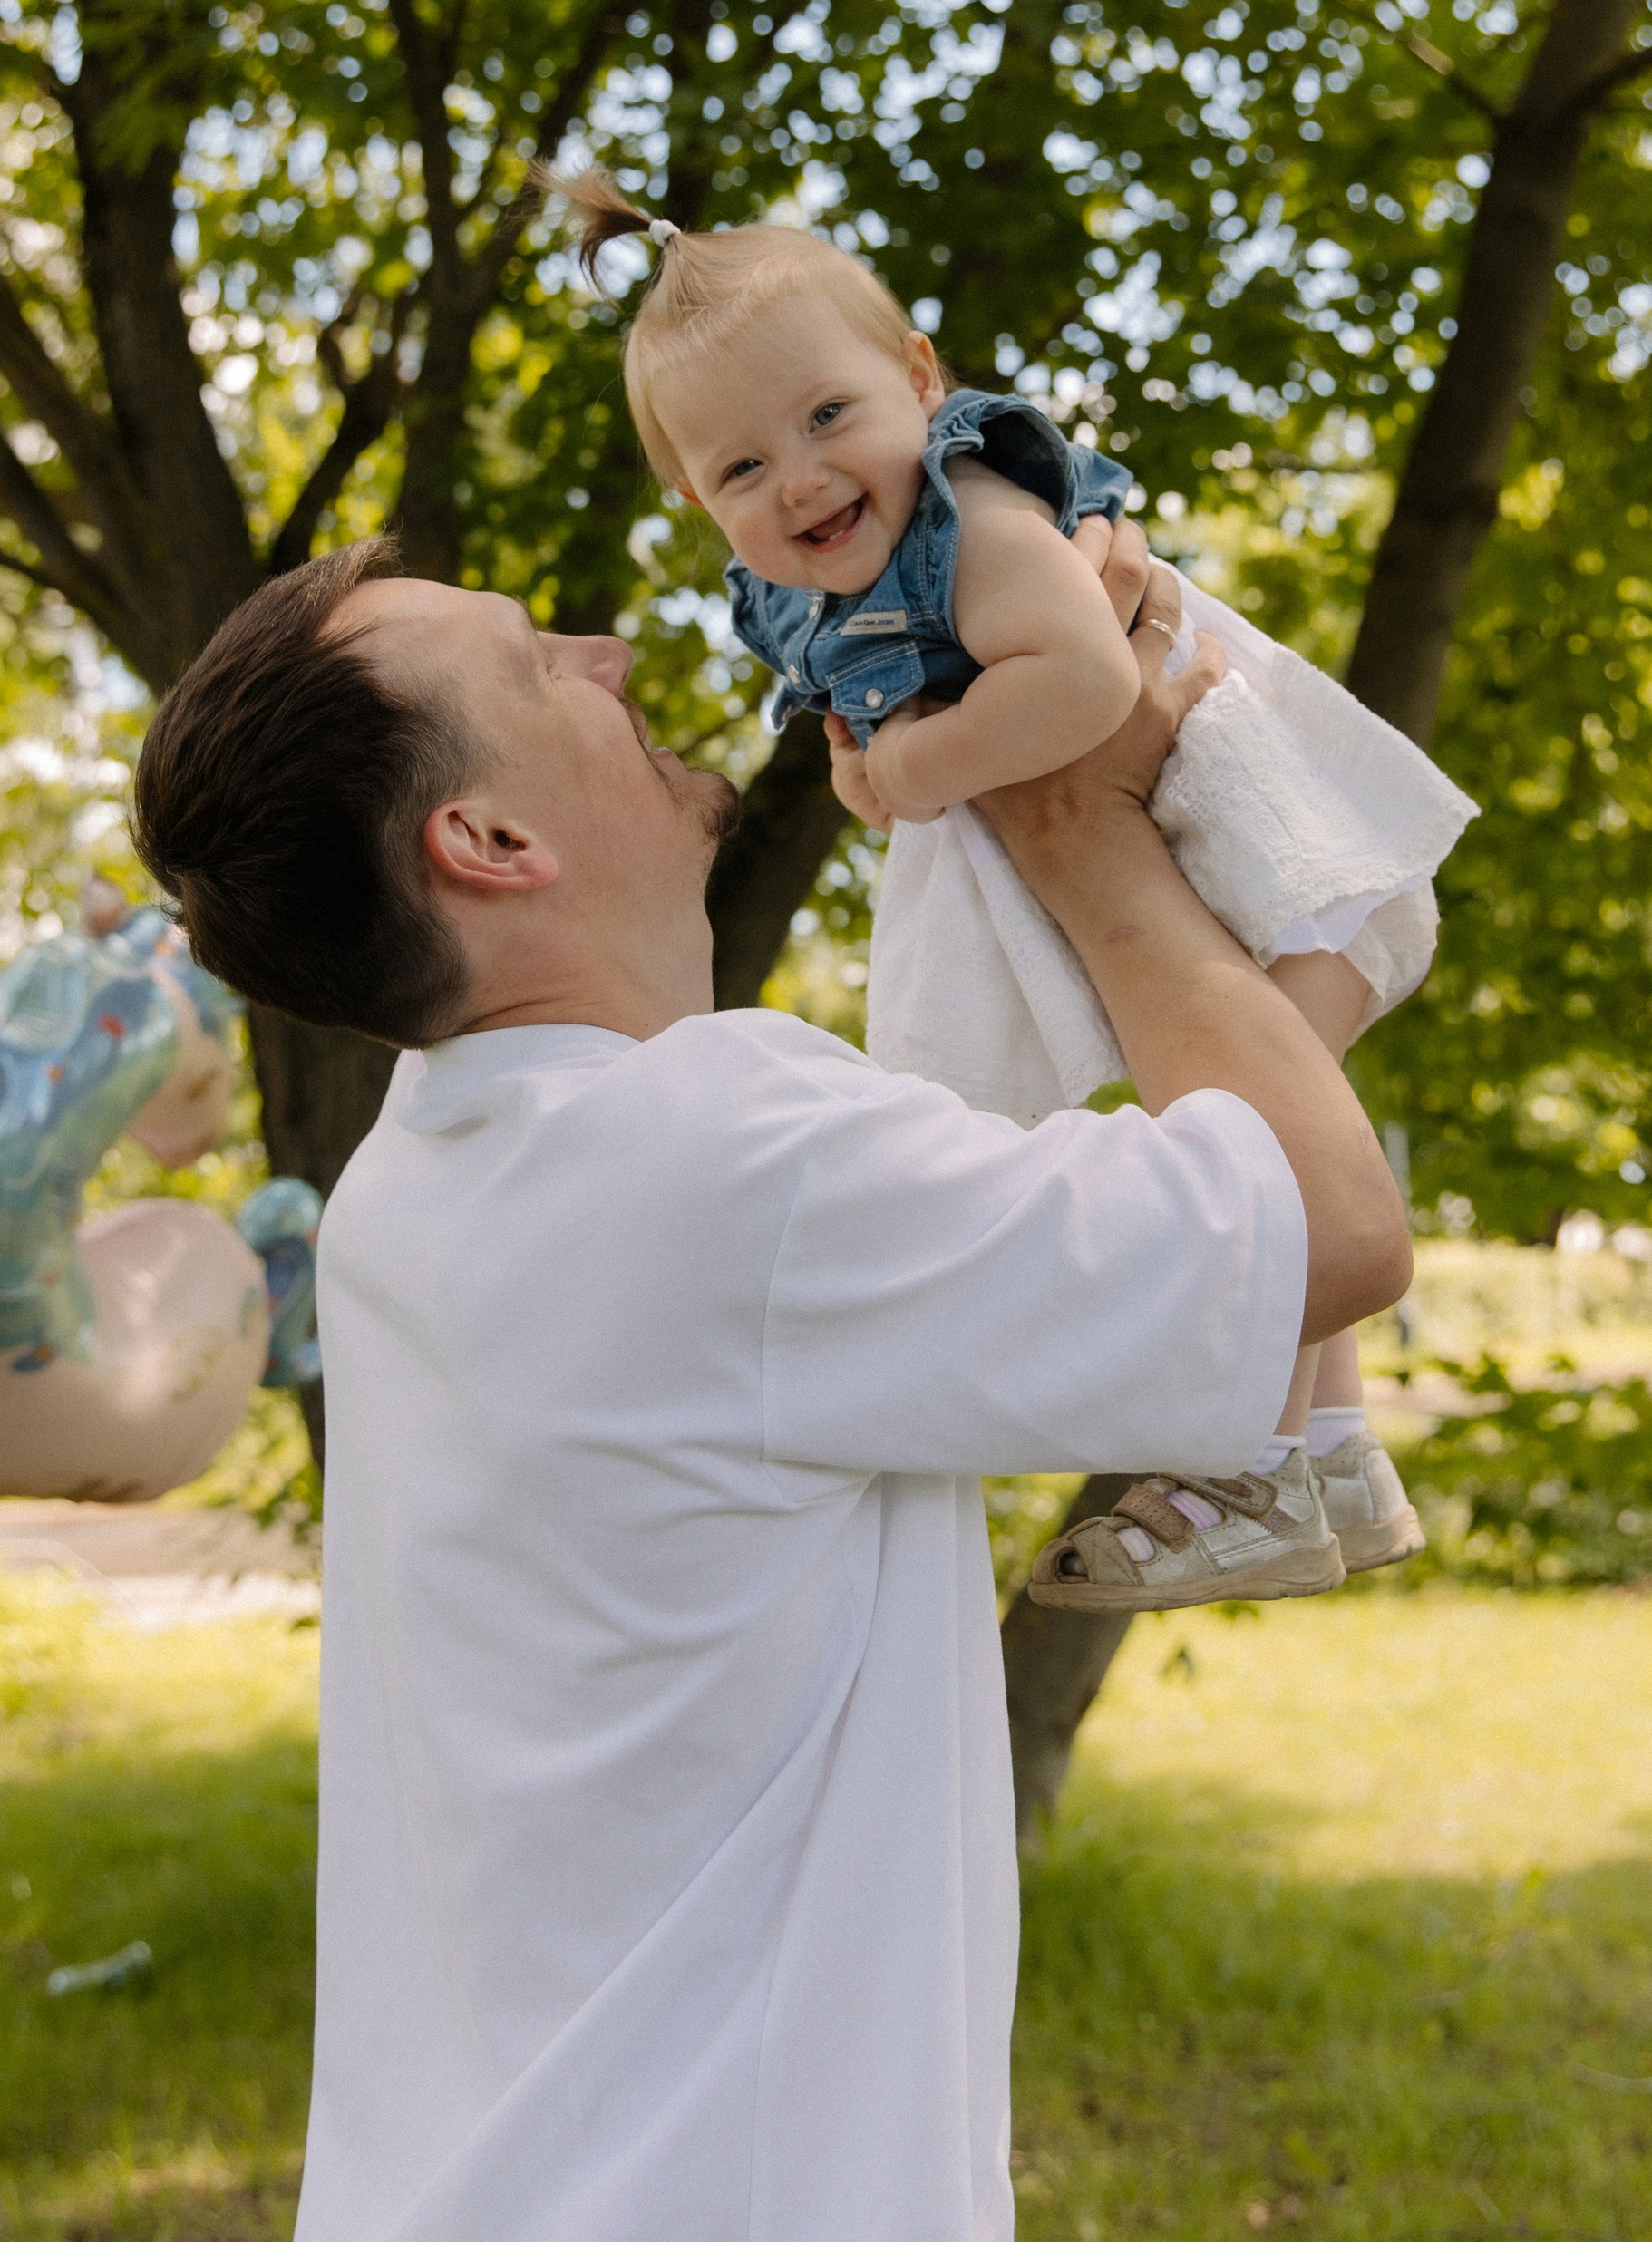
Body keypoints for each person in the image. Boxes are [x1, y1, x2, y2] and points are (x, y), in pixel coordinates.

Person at [130, 526, 1409, 2242]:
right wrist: (1075, 826)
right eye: (534, 662)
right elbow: (1327, 1237)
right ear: (486, 841)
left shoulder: (430, 1176)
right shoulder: (713, 1157)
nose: (608, 647)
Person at [528, 166, 1468, 1614]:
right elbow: (866, 742)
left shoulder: (974, 505)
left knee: (1249, 1149)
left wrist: (912, 774)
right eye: (738, 470)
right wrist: (874, 772)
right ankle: (1327, 1454)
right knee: (1240, 1133)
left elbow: (1087, 676)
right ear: (693, 500)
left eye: (828, 417)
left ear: (917, 379)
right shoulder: (807, 592)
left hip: (1294, 853)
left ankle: (1265, 1463)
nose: (797, 479)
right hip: (1221, 874)